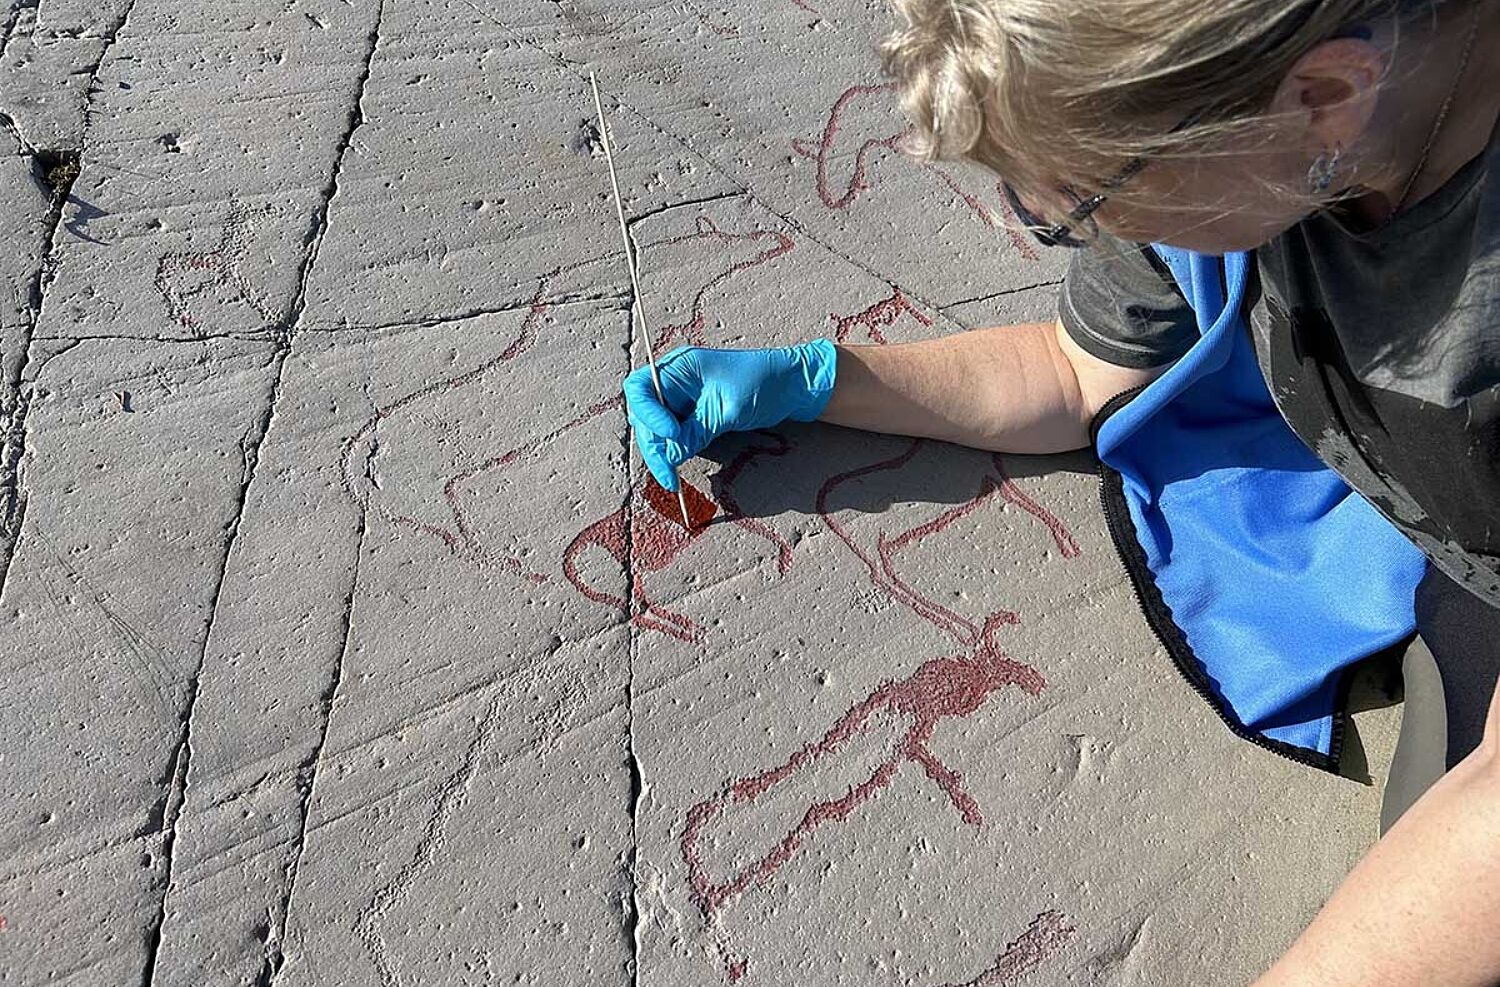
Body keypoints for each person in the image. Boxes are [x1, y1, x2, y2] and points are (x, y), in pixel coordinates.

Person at [623, 1, 1500, 982]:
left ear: (1327, 97)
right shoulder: (1247, 127)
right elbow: (1077, 375)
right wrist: (822, 378)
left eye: (1079, 202)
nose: (1056, 224)